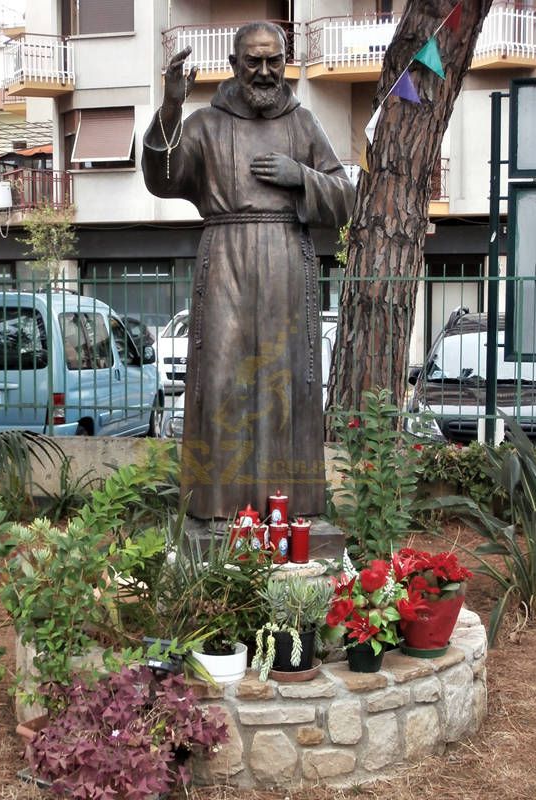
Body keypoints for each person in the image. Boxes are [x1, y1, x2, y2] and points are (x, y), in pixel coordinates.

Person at [143, 21, 354, 519]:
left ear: (285, 63)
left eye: (273, 61)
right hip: (226, 260)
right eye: (253, 61)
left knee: (286, 381)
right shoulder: (205, 124)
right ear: (235, 66)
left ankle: (289, 508)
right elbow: (161, 178)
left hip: (286, 260)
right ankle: (219, 509)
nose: (264, 71)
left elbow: (347, 197)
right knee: (219, 381)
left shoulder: (303, 124)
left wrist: (299, 176)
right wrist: (171, 108)